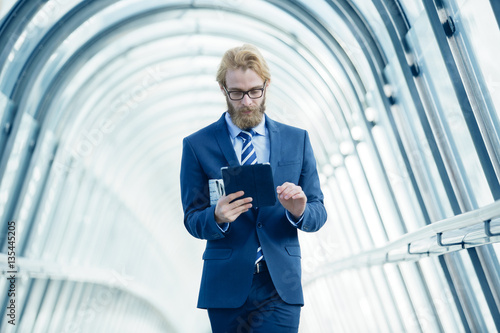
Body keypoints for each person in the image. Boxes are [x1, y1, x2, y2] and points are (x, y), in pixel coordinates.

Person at [180, 44, 327, 333]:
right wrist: (217, 217)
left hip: (279, 284)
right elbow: (192, 218)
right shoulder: (198, 146)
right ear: (223, 89)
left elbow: (318, 211)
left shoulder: (297, 140)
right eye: (236, 93)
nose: (246, 101)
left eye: (254, 91)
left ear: (266, 85)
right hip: (225, 285)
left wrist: (299, 212)